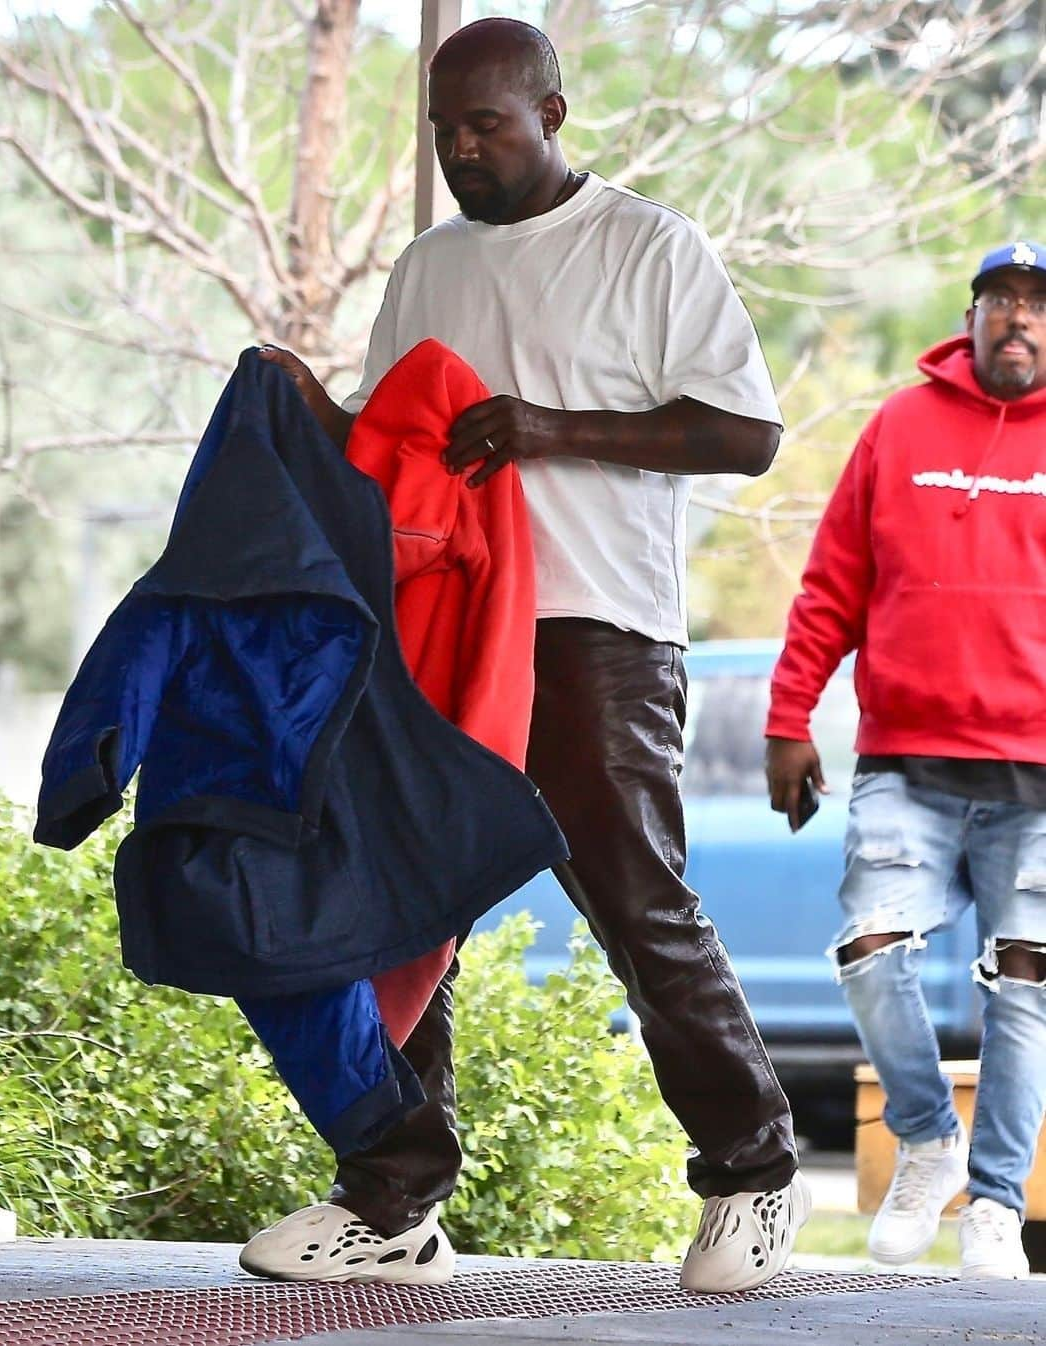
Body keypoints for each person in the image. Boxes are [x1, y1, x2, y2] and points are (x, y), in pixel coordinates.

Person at [252, 17, 808, 1293]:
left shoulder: (648, 245)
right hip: (440, 626)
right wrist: (308, 404)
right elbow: (388, 448)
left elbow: (748, 433)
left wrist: (552, 428)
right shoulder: (429, 265)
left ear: (551, 116)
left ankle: (753, 1171)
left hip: (596, 628)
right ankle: (394, 1201)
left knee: (633, 900)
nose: (461, 149)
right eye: (445, 129)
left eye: (486, 125)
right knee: (396, 905)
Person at [765, 240, 1046, 1281]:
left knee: (1027, 985)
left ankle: (998, 1202)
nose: (1018, 317)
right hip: (906, 762)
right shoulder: (900, 426)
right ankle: (928, 1138)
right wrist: (788, 716)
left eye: (1036, 303)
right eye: (1000, 299)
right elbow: (831, 582)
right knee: (870, 945)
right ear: (971, 317)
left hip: (1037, 777)